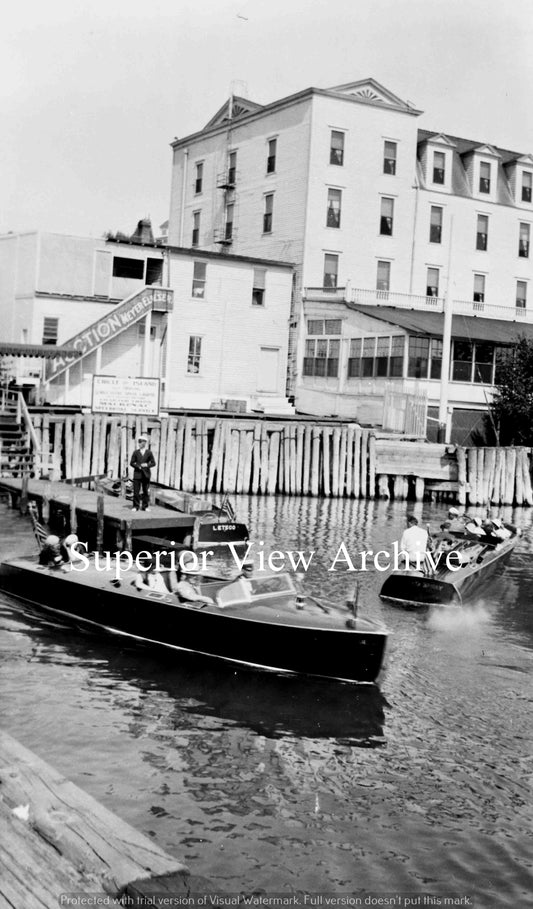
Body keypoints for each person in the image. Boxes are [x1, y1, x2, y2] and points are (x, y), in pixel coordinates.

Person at [130, 435, 156, 512]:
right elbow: (131, 463)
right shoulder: (135, 452)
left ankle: (145, 506)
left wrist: (147, 465)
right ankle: (135, 506)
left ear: (145, 443)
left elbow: (154, 463)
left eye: (141, 442)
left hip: (146, 475)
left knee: (145, 491)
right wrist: (138, 466)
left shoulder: (149, 452)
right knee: (136, 491)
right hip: (137, 474)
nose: (140, 444)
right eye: (139, 442)